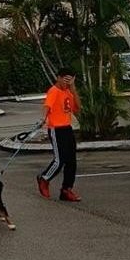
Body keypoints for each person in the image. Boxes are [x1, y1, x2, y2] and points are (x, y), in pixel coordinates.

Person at [36, 67, 82, 202]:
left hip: (67, 128)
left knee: (71, 161)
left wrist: (73, 88)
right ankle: (44, 178)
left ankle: (66, 190)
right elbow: (47, 106)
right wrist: (43, 118)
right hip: (56, 129)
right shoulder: (54, 91)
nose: (67, 82)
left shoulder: (68, 92)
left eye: (70, 80)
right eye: (65, 79)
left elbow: (77, 108)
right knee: (59, 159)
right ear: (59, 78)